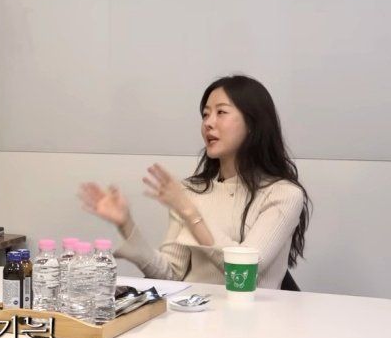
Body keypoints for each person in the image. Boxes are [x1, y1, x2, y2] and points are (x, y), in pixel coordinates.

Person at [97, 82, 310, 299]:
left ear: (252, 123)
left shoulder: (284, 194)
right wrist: (126, 225)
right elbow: (171, 275)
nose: (208, 123)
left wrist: (191, 213)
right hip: (190, 312)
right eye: (205, 114)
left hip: (249, 315)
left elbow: (246, 272)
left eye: (221, 112)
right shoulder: (191, 191)